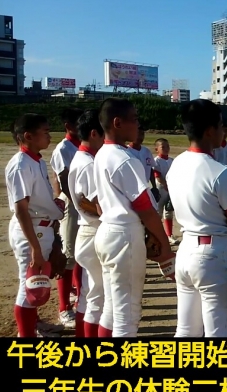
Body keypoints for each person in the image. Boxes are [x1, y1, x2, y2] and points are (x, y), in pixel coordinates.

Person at [166, 99, 227, 337]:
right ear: (209, 130)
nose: (223, 130)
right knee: (218, 333)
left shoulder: (176, 164)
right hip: (213, 255)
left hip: (185, 250)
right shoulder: (220, 172)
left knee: (186, 331)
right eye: (220, 125)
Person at [93, 98, 175, 337]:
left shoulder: (103, 153)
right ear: (118, 123)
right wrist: (165, 247)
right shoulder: (124, 158)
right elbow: (145, 208)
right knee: (127, 316)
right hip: (124, 234)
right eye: (135, 119)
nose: (138, 125)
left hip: (108, 230)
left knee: (111, 309)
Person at [6, 113, 65, 337]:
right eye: (45, 132)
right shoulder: (21, 165)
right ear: (28, 136)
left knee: (36, 283)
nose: (49, 136)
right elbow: (21, 209)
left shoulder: (36, 160)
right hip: (31, 230)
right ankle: (26, 336)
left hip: (42, 227)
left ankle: (35, 325)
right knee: (29, 284)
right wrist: (35, 248)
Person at [68, 109, 105, 337]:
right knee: (98, 297)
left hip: (87, 231)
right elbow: (91, 203)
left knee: (89, 295)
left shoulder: (83, 158)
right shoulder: (89, 163)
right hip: (93, 231)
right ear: (94, 133)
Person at [50, 107, 83, 328]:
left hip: (83, 204)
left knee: (82, 254)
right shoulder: (64, 148)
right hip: (72, 204)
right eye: (77, 123)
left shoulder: (81, 146)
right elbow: (63, 180)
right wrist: (80, 205)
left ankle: (79, 295)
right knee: (69, 256)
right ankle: (64, 308)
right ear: (68, 126)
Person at [153, 138, 179, 245]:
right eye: (163, 147)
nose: (166, 148)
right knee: (158, 213)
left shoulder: (172, 160)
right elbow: (158, 176)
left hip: (170, 189)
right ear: (157, 149)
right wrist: (167, 186)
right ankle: (156, 236)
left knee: (168, 212)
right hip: (161, 189)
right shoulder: (156, 160)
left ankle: (169, 235)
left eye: (167, 146)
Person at [127, 125, 159, 202]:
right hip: (132, 189)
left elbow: (150, 169)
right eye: (138, 134)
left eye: (142, 134)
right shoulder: (126, 151)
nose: (140, 137)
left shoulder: (146, 151)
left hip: (145, 187)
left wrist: (154, 186)